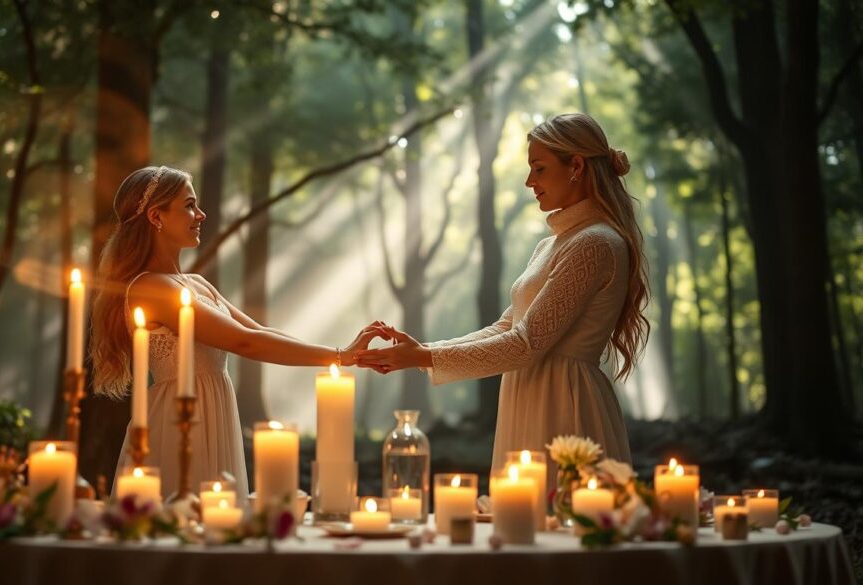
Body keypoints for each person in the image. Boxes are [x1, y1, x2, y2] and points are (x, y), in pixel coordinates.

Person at [356, 113, 650, 476]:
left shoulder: (595, 244)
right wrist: (424, 352)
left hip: (563, 402)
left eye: (539, 169)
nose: (530, 181)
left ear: (576, 166)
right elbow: (506, 326)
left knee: (560, 519)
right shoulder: (552, 245)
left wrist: (428, 357)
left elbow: (526, 343)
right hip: (528, 393)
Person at [90, 166, 376, 501]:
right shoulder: (151, 288)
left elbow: (259, 331)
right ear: (156, 216)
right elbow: (244, 343)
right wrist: (340, 356)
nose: (201, 214)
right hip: (182, 422)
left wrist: (342, 352)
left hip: (215, 409)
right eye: (189, 205)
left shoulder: (195, 284)